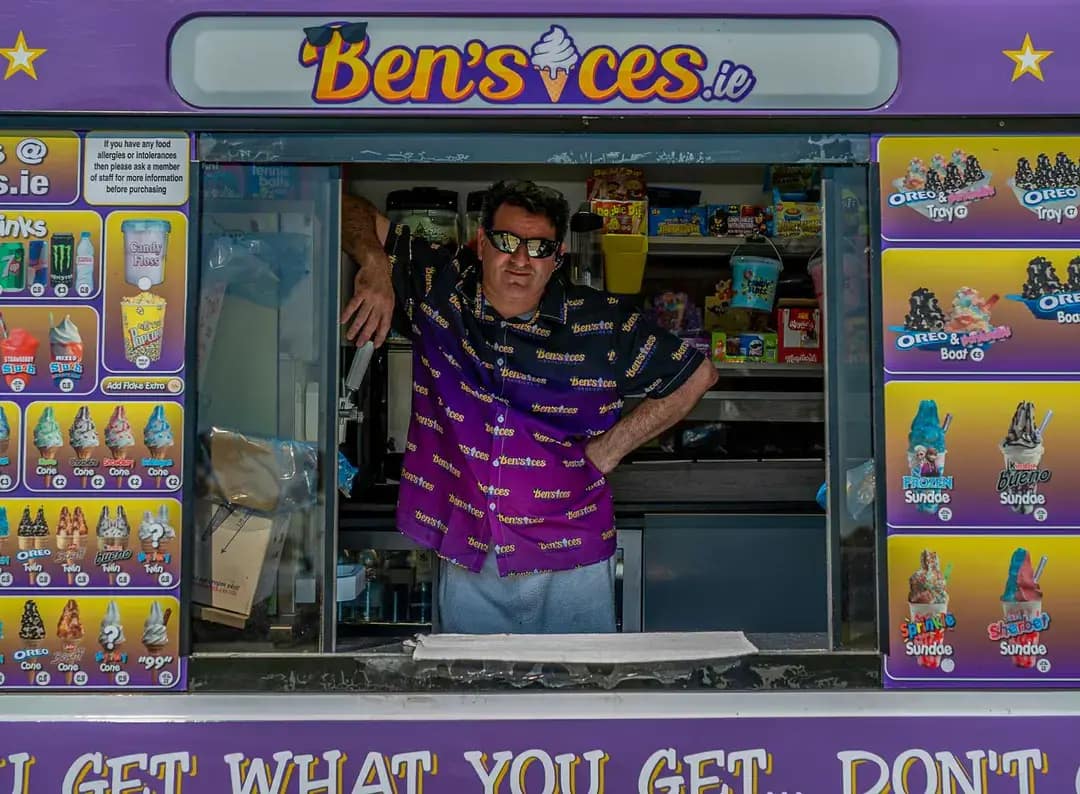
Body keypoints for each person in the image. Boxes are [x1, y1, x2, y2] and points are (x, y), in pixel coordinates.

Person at [341, 180, 717, 634]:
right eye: (506, 241)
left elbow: (696, 376)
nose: (520, 260)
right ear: (481, 243)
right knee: (473, 699)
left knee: (577, 698)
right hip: (472, 558)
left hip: (572, 562)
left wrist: (608, 450)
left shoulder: (600, 322)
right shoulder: (439, 287)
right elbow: (344, 206)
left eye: (539, 247)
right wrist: (375, 262)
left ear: (557, 257)